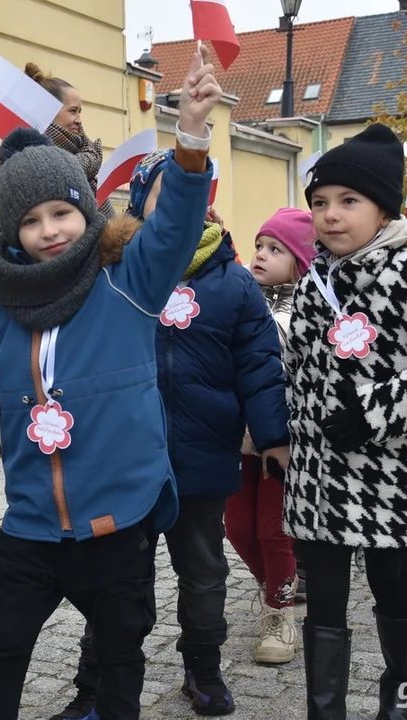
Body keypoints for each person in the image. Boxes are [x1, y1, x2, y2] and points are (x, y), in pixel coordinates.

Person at [0, 47, 222, 720]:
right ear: (12, 231)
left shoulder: (128, 283)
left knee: (118, 658)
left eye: (61, 213)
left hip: (115, 523)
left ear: (85, 213)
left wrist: (190, 139)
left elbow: (172, 229)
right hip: (30, 526)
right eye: (29, 220)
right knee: (3, 648)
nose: (48, 231)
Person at [49, 149, 290, 719]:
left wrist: (273, 435)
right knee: (117, 580)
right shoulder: (115, 274)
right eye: (170, 188)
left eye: (197, 188)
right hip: (125, 462)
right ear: (140, 201)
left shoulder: (234, 281)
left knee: (203, 574)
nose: (187, 198)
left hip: (202, 459)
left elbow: (259, 365)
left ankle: (202, 670)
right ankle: (96, 686)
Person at [285, 124, 407, 719]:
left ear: (382, 208)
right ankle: (327, 710)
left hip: (388, 473)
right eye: (320, 202)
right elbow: (299, 371)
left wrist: (374, 412)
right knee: (322, 598)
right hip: (317, 473)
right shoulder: (316, 280)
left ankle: (399, 699)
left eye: (349, 201)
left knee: (392, 586)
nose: (330, 215)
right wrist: (286, 437)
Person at [225, 207, 316, 666]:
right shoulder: (240, 295)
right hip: (237, 438)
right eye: (259, 245)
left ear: (300, 259)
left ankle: (281, 615)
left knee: (272, 531)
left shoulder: (310, 307)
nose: (261, 255)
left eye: (275, 249)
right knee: (238, 528)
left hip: (283, 442)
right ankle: (275, 589)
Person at [0, 63, 114, 242]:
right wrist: (0, 186)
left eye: (80, 111)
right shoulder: (23, 164)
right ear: (48, 113)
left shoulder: (87, 157)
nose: (79, 120)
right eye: (73, 111)